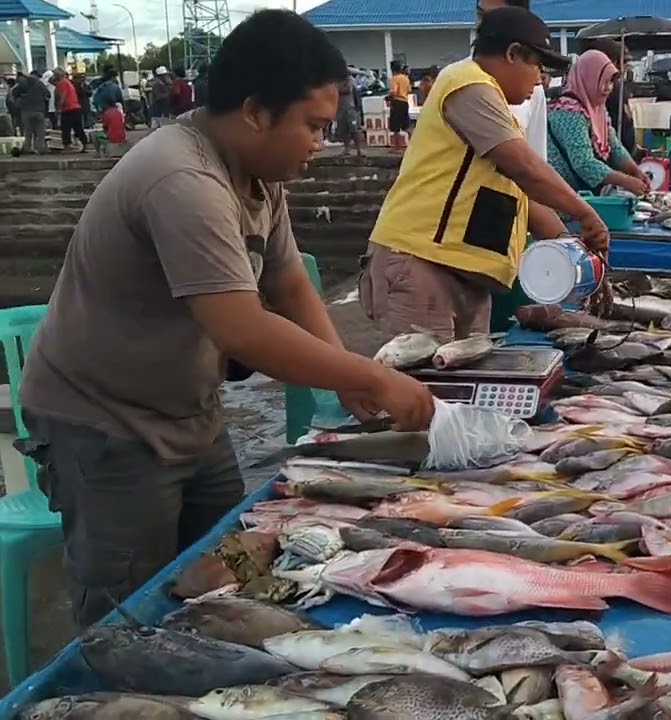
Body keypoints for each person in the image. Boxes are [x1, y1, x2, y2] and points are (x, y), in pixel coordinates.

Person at [18, 9, 436, 630]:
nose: (319, 143)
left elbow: (287, 281)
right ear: (256, 112)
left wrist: (348, 375)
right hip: (106, 424)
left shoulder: (258, 173)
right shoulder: (182, 179)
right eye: (312, 126)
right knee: (128, 618)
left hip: (189, 411)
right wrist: (374, 378)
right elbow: (241, 328)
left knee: (226, 570)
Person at [360, 7, 609, 341]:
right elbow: (526, 169)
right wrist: (586, 213)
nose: (540, 79)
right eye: (537, 66)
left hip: (466, 272)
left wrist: (581, 255)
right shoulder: (466, 83)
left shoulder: (499, 111)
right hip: (422, 262)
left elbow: (523, 196)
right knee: (420, 372)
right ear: (512, 54)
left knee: (463, 373)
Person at [442, 0, 548, 160]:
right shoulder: (459, 80)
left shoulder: (533, 89)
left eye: (494, 17)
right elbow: (526, 166)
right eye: (480, 15)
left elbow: (536, 155)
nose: (482, 25)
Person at [547, 50, 649, 196]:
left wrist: (635, 171)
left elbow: (614, 147)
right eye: (603, 81)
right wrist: (626, 181)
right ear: (589, 78)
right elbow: (583, 163)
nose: (608, 88)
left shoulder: (597, 109)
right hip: (561, 196)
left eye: (611, 82)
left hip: (582, 195)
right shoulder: (567, 111)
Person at [12, 71, 50, 154]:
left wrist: (20, 99)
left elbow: (14, 92)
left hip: (26, 111)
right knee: (40, 132)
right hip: (39, 111)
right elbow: (48, 94)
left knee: (28, 131)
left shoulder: (23, 84)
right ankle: (41, 148)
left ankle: (27, 148)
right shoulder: (40, 84)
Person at [53, 70, 88, 152]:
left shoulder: (62, 83)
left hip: (68, 108)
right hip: (75, 107)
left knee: (65, 128)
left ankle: (67, 145)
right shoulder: (67, 82)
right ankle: (84, 143)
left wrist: (59, 108)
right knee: (78, 127)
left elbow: (63, 95)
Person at [335, 74, 364, 159]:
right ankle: (346, 149)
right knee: (343, 130)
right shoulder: (336, 81)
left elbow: (348, 89)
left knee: (355, 130)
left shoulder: (349, 79)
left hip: (351, 108)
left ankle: (359, 149)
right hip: (340, 109)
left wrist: (337, 89)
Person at [386, 61, 412, 143]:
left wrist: (388, 98)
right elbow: (409, 90)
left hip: (396, 103)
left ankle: (397, 146)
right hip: (405, 102)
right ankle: (413, 141)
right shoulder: (406, 78)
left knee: (395, 127)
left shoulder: (394, 79)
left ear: (392, 69)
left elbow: (393, 92)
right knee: (406, 126)